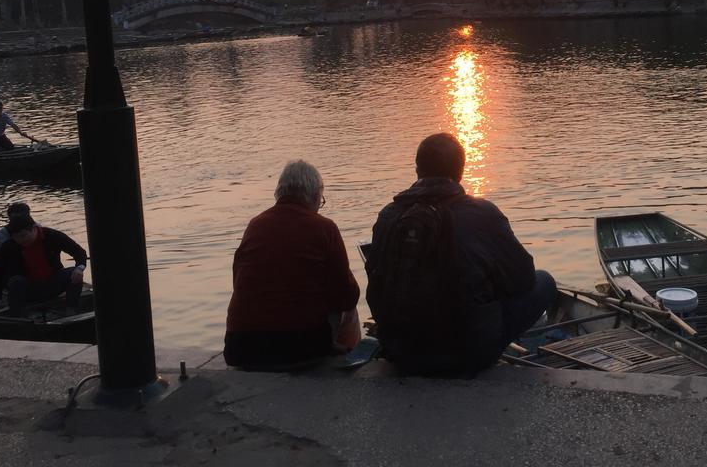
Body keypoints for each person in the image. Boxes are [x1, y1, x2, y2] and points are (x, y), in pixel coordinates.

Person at [366, 132, 556, 377]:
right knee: (545, 282)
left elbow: (375, 281)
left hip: (401, 352)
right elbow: (524, 279)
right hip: (466, 355)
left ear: (417, 170)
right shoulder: (483, 214)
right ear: (460, 171)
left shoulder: (389, 215)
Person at [224, 160, 361, 370]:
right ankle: (349, 358)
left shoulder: (255, 225)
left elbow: (238, 281)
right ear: (315, 196)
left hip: (241, 348)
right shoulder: (324, 228)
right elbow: (347, 295)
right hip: (299, 349)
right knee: (350, 310)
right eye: (321, 200)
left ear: (279, 193)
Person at [0, 214, 87, 315]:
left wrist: (79, 268)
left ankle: (71, 309)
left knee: (74, 273)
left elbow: (79, 252)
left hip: (52, 283)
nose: (21, 240)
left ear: (34, 229)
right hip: (28, 289)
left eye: (23, 235)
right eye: (16, 237)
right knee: (15, 281)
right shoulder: (9, 246)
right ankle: (19, 316)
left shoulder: (51, 236)